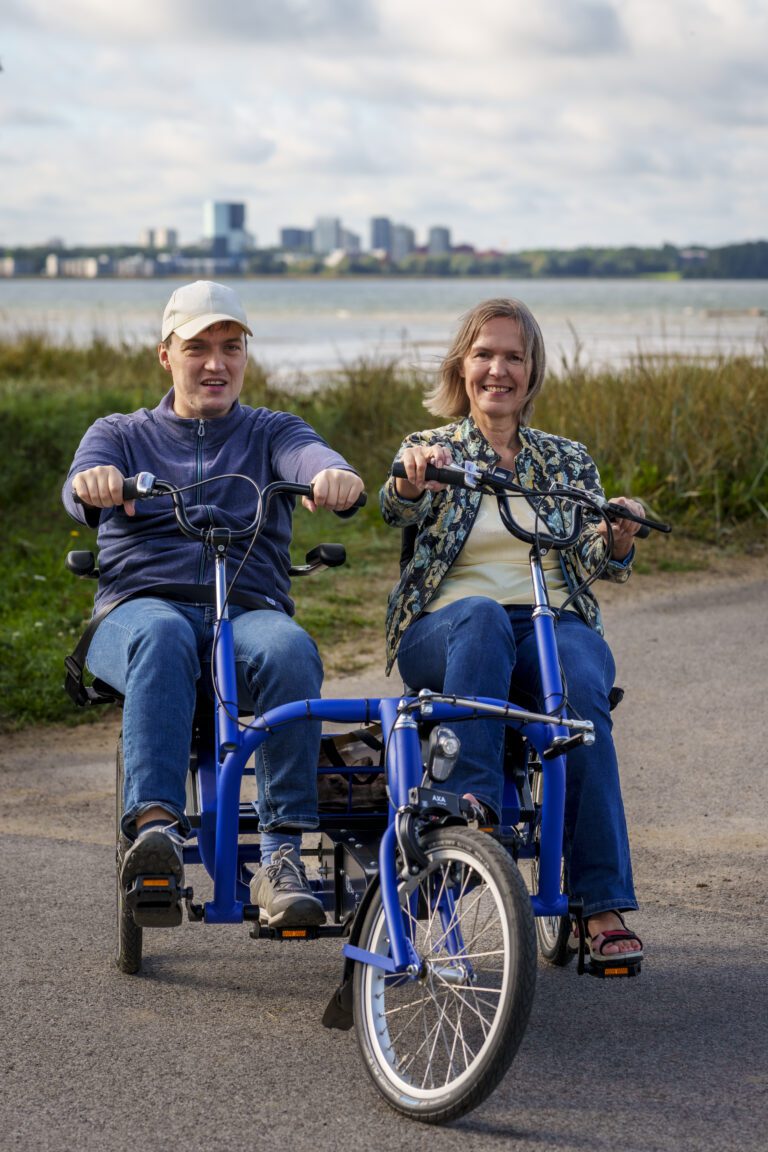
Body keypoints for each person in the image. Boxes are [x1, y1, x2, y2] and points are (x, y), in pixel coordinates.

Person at [63, 280, 364, 929]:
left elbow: (309, 455)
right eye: (197, 347)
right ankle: (156, 837)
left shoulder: (271, 430)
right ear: (165, 354)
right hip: (139, 612)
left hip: (248, 612)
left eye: (231, 347)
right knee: (164, 635)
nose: (215, 363)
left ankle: (281, 859)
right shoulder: (120, 433)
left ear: (246, 357)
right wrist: (94, 485)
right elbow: (80, 486)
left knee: (288, 646)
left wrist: (331, 475)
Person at [379, 297, 644, 966]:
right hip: (448, 627)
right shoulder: (431, 448)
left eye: (513, 357)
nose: (498, 370)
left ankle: (600, 902)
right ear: (462, 366)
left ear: (532, 371)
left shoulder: (566, 460)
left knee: (581, 700)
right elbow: (391, 506)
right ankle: (473, 812)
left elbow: (596, 558)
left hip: (549, 622)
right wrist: (411, 485)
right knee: (483, 616)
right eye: (484, 355)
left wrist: (617, 534)